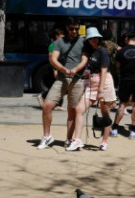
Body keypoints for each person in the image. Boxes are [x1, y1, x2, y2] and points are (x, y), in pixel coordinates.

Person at [37, 17, 88, 150]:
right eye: (72, 29)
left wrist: (75, 69)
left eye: (77, 28)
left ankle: (69, 139)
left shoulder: (83, 42)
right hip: (61, 78)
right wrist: (63, 69)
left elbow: (84, 59)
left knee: (72, 110)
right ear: (67, 28)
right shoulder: (59, 42)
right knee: (47, 105)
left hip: (77, 79)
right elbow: (53, 59)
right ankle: (47, 136)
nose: (74, 31)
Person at [83, 27, 117, 151]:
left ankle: (105, 141)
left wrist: (101, 91)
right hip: (91, 82)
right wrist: (86, 84)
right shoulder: (88, 51)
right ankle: (77, 139)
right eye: (91, 38)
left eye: (95, 38)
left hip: (104, 83)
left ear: (99, 38)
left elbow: (104, 70)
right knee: (79, 109)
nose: (94, 40)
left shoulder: (102, 51)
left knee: (105, 113)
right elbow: (88, 69)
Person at [111, 31, 135, 139]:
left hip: (125, 80)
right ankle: (133, 130)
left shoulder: (121, 51)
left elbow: (117, 66)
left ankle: (115, 128)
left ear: (127, 39)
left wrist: (121, 76)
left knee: (122, 104)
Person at [37, 27, 64, 110]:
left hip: (60, 67)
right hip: (54, 68)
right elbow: (51, 58)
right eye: (61, 35)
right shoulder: (53, 45)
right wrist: (55, 70)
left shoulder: (61, 45)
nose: (63, 37)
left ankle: (57, 104)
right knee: (57, 86)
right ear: (56, 36)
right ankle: (42, 96)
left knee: (61, 86)